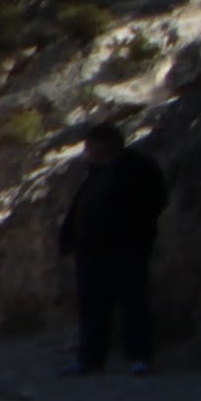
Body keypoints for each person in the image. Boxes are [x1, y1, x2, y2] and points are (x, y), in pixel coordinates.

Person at [59, 119, 169, 375]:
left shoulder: (138, 168)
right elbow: (80, 210)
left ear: (104, 144)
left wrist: (132, 232)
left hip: (125, 247)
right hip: (91, 251)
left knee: (132, 301)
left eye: (90, 145)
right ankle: (90, 360)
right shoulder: (95, 174)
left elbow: (154, 201)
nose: (87, 150)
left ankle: (140, 357)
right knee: (92, 305)